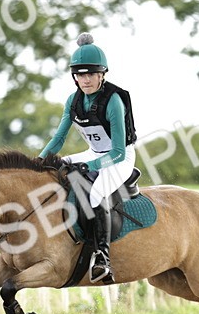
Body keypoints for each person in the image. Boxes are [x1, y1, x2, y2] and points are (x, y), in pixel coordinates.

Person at [37, 33, 138, 282]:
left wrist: (88, 166)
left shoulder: (113, 100)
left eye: (90, 74)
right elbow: (59, 139)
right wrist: (39, 161)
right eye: (80, 75)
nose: (85, 80)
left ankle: (102, 257)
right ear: (74, 77)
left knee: (96, 192)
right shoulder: (73, 101)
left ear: (102, 74)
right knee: (58, 169)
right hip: (93, 153)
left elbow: (117, 152)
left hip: (119, 158)